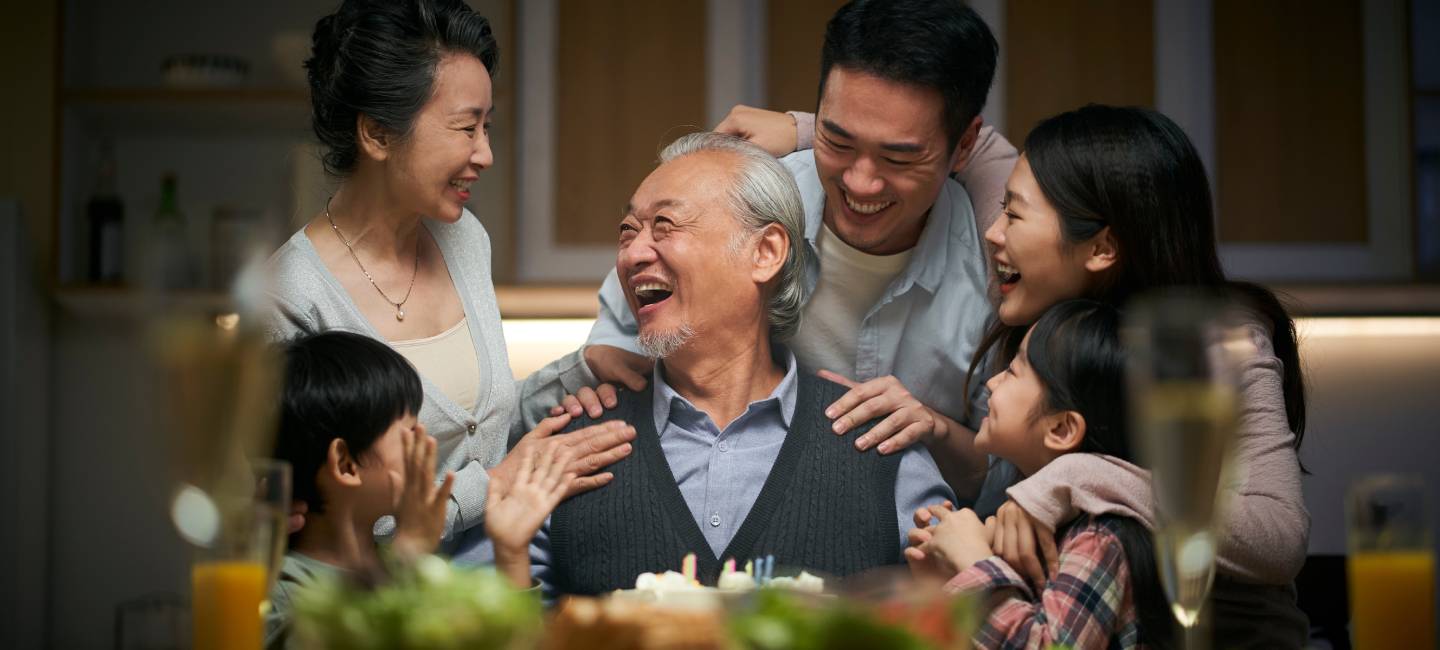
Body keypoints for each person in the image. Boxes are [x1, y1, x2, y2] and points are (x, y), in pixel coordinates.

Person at [581, 0, 1006, 504]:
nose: (860, 182)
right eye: (836, 140)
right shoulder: (738, 202)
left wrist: (932, 428)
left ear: (964, 146)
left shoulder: (997, 266)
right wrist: (600, 375)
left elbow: (1003, 472)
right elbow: (616, 352)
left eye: (898, 156)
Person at [513, 132, 955, 596]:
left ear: (765, 253)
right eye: (628, 230)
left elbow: (957, 621)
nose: (632, 253)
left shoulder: (881, 446)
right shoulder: (568, 447)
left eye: (664, 224)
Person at [264, 0, 633, 550]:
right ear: (377, 135)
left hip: (506, 571)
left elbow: (474, 430)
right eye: (466, 127)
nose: (484, 153)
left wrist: (580, 370)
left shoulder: (464, 240)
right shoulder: (290, 296)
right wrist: (495, 486)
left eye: (487, 126)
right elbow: (317, 528)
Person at [957, 105, 1310, 647]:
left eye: (1014, 214)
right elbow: (968, 146)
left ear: (1101, 247)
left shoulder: (1220, 346)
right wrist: (799, 128)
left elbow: (1279, 540)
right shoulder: (1049, 301)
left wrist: (1077, 477)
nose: (991, 232)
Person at [908, 300, 1172, 649]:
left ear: (1061, 428)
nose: (991, 382)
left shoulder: (1099, 538)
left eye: (1014, 371)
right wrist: (947, 580)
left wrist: (972, 560)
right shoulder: (1030, 519)